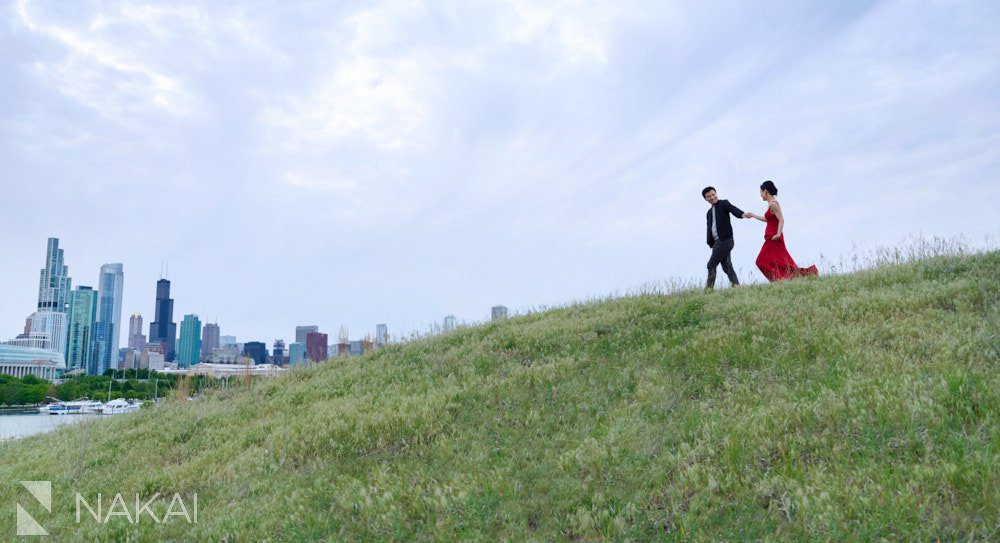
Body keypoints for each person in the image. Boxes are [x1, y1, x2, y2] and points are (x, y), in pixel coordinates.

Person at [746, 180, 818, 282]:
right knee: (781, 263)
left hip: (774, 238)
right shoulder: (770, 204)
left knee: (761, 261)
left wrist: (778, 234)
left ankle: (779, 280)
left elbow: (781, 220)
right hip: (771, 237)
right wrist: (753, 215)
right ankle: (782, 280)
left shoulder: (773, 204)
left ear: (765, 191)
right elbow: (767, 219)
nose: (760, 195)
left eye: (761, 192)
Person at [702, 186, 751, 290]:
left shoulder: (724, 203)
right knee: (727, 266)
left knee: (711, 265)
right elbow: (709, 228)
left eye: (713, 194)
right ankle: (736, 287)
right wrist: (710, 243)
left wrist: (742, 214)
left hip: (725, 240)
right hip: (716, 243)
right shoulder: (709, 213)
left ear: (716, 193)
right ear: (705, 199)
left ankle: (708, 290)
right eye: (708, 196)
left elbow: (733, 209)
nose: (711, 197)